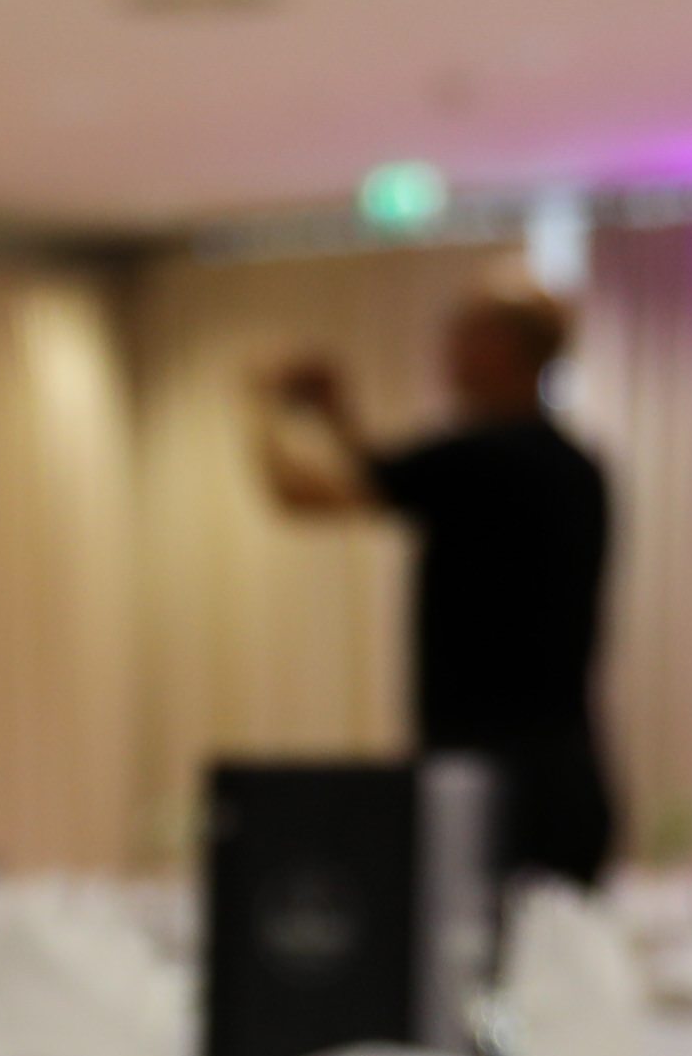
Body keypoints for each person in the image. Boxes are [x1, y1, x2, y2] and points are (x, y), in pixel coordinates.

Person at [260, 290, 617, 888]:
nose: (449, 357)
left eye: (465, 340)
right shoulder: (577, 469)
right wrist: (336, 415)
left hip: (480, 774)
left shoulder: (481, 459)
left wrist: (259, 407)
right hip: (563, 768)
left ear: (505, 350)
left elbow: (312, 493)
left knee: (462, 931)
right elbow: (378, 474)